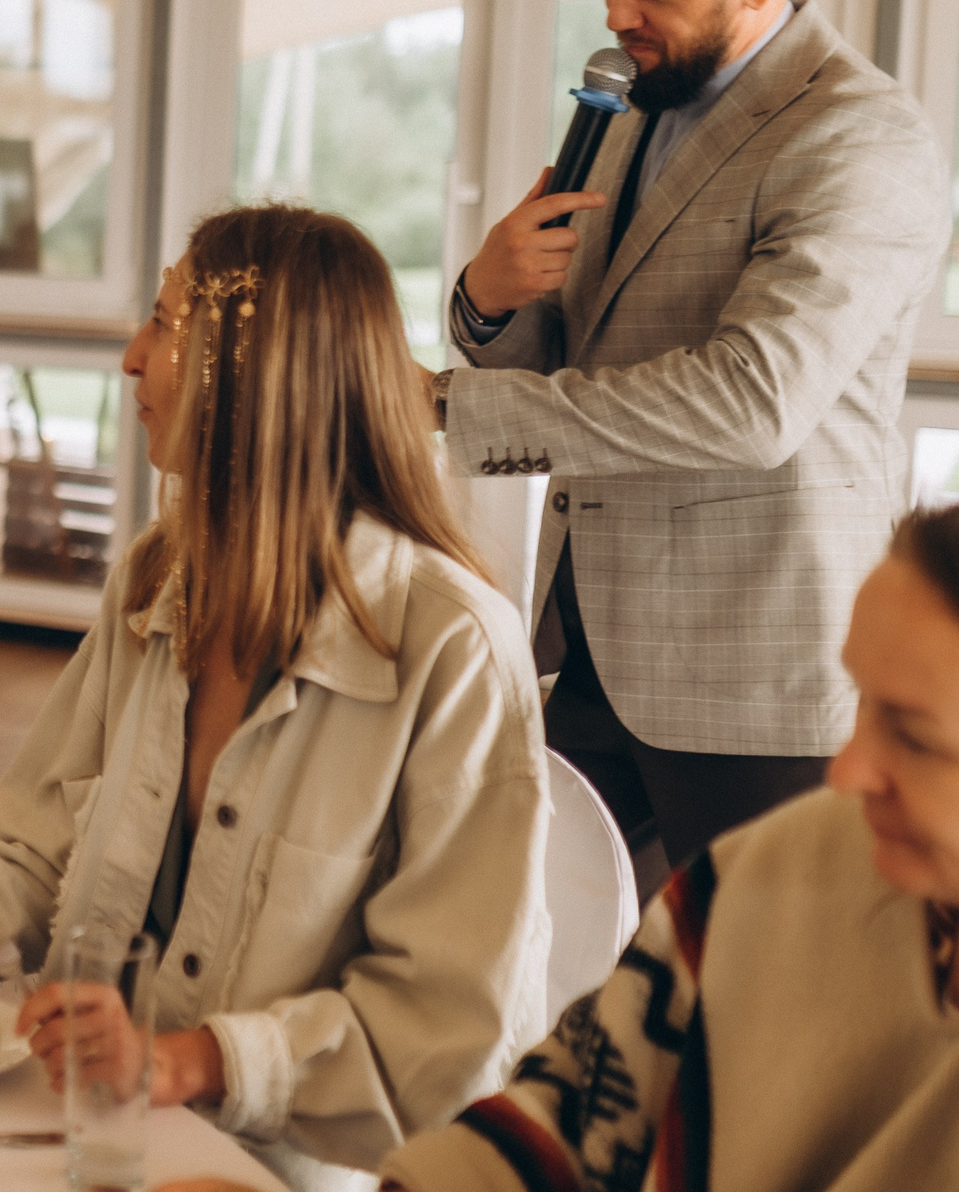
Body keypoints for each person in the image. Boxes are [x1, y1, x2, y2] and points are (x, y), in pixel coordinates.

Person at [0, 205, 550, 1188]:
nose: (132, 358)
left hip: (270, 1164)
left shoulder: (452, 647)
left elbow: (449, 1023)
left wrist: (192, 1059)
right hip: (70, 1117)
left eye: (164, 323)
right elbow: (38, 843)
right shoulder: (157, 578)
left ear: (259, 373)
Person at [438, 0, 949, 897]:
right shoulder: (631, 109)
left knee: (762, 999)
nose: (615, 15)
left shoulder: (859, 135)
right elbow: (573, 344)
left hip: (755, 670)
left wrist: (445, 408)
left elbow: (750, 402)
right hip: (587, 647)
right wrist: (489, 296)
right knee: (546, 956)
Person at [362, 506, 959, 1191]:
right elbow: (565, 1116)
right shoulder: (773, 870)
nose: (849, 771)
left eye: (914, 737)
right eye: (862, 701)